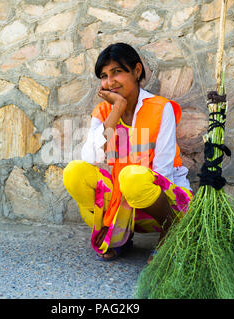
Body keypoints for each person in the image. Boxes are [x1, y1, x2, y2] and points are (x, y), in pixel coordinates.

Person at [63, 43, 193, 263]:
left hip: (160, 200)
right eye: (104, 76)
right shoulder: (104, 110)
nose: (109, 81)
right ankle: (122, 238)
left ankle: (170, 232)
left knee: (131, 178)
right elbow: (90, 158)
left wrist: (132, 194)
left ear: (137, 71)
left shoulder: (161, 108)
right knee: (74, 172)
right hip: (124, 197)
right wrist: (117, 109)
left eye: (117, 72)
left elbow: (163, 171)